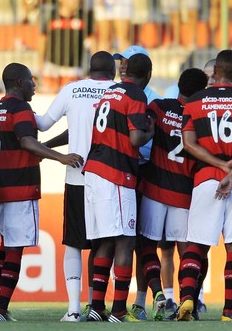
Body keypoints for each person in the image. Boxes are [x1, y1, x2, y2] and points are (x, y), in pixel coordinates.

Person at [0, 63, 84, 321]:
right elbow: (26, 141)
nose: (34, 85)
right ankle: (1, 309)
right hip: (20, 187)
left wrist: (43, 149)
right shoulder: (22, 109)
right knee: (15, 249)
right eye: (30, 80)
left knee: (4, 247)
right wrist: (60, 157)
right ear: (18, 82)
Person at [177, 50, 232, 321]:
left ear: (214, 73)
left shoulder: (195, 101)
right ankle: (227, 312)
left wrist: (220, 166)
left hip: (206, 179)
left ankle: (188, 299)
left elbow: (189, 143)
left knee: (196, 244)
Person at [34, 51, 116, 321]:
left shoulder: (73, 89)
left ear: (90, 70)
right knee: (105, 244)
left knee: (73, 244)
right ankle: (97, 306)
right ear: (112, 71)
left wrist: (17, 106)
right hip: (109, 178)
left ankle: (73, 309)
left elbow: (44, 123)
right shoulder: (119, 91)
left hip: (76, 176)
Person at [84, 53, 155, 323]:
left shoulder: (110, 92)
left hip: (94, 170)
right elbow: (136, 138)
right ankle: (118, 311)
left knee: (104, 242)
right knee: (125, 240)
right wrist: (150, 131)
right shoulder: (136, 94)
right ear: (147, 75)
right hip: (116, 173)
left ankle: (96, 308)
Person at [137, 68, 209, 321]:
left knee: (147, 246)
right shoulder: (201, 117)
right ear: (201, 91)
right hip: (184, 193)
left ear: (178, 85)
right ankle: (189, 298)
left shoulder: (158, 106)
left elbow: (143, 129)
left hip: (155, 188)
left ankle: (158, 295)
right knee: (188, 249)